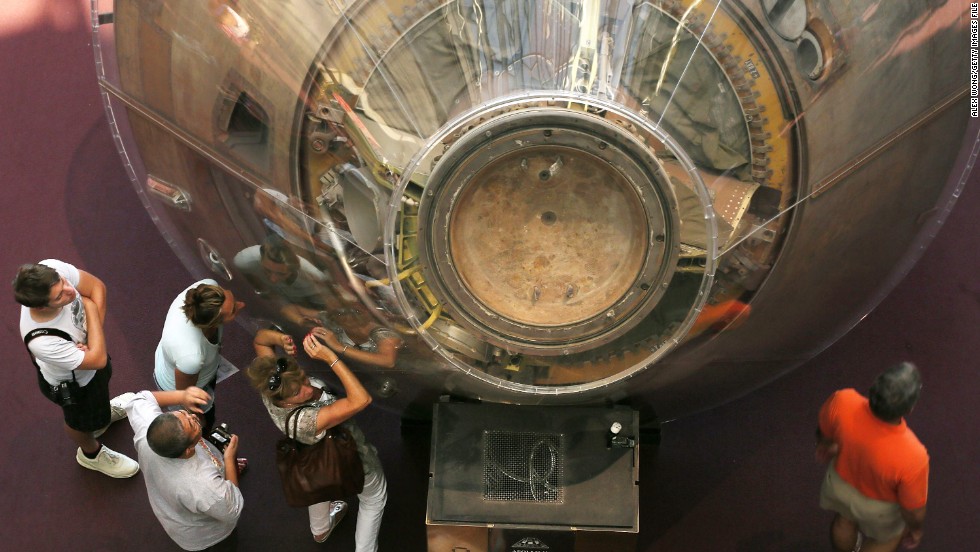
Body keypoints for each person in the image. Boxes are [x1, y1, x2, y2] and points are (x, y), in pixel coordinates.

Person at [247, 327, 387, 549]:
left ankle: (321, 529)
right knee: (373, 500)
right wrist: (331, 358)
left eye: (304, 378)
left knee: (317, 482)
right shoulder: (307, 420)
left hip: (313, 458)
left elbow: (261, 341)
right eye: (297, 393)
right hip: (352, 461)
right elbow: (361, 400)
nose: (306, 389)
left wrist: (281, 339)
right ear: (284, 402)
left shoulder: (273, 381)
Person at [14, 260, 138, 478]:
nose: (70, 291)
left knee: (99, 399)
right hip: (75, 385)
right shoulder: (42, 341)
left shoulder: (51, 268)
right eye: (59, 296)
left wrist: (91, 337)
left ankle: (101, 417)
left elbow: (97, 287)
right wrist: (90, 308)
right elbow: (97, 358)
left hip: (88, 367)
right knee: (78, 422)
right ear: (41, 307)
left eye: (63, 282)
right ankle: (91, 454)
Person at [816, 362, 929, 552]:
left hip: (839, 484)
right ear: (909, 409)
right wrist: (915, 530)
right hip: (878, 509)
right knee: (887, 539)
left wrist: (827, 445)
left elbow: (824, 433)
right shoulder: (914, 456)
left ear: (874, 387)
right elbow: (913, 510)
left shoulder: (842, 400)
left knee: (844, 521)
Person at [118, 386, 244, 551]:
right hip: (207, 536)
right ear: (188, 450)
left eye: (182, 413)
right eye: (192, 424)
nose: (191, 415)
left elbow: (140, 398)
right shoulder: (202, 484)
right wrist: (229, 461)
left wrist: (182, 396)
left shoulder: (149, 429)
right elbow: (231, 508)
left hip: (176, 511)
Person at [154, 280, 244, 431]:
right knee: (200, 425)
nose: (241, 305)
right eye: (234, 310)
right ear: (213, 323)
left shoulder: (208, 286)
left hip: (189, 366)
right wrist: (193, 413)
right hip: (177, 386)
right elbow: (185, 394)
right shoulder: (191, 356)